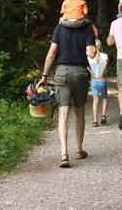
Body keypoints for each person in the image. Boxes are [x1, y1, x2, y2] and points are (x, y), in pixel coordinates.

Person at [38, 22, 96, 168]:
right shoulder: (87, 28)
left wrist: (44, 75)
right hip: (80, 73)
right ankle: (79, 150)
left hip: (62, 72)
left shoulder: (59, 27)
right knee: (79, 111)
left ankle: (64, 154)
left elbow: (51, 53)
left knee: (63, 113)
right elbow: (91, 53)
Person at [87, 39, 109, 127]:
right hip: (102, 80)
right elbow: (105, 68)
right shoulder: (105, 56)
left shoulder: (89, 57)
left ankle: (95, 121)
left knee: (95, 101)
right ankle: (103, 116)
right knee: (104, 98)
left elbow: (88, 68)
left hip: (94, 81)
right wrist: (101, 75)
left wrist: (93, 74)